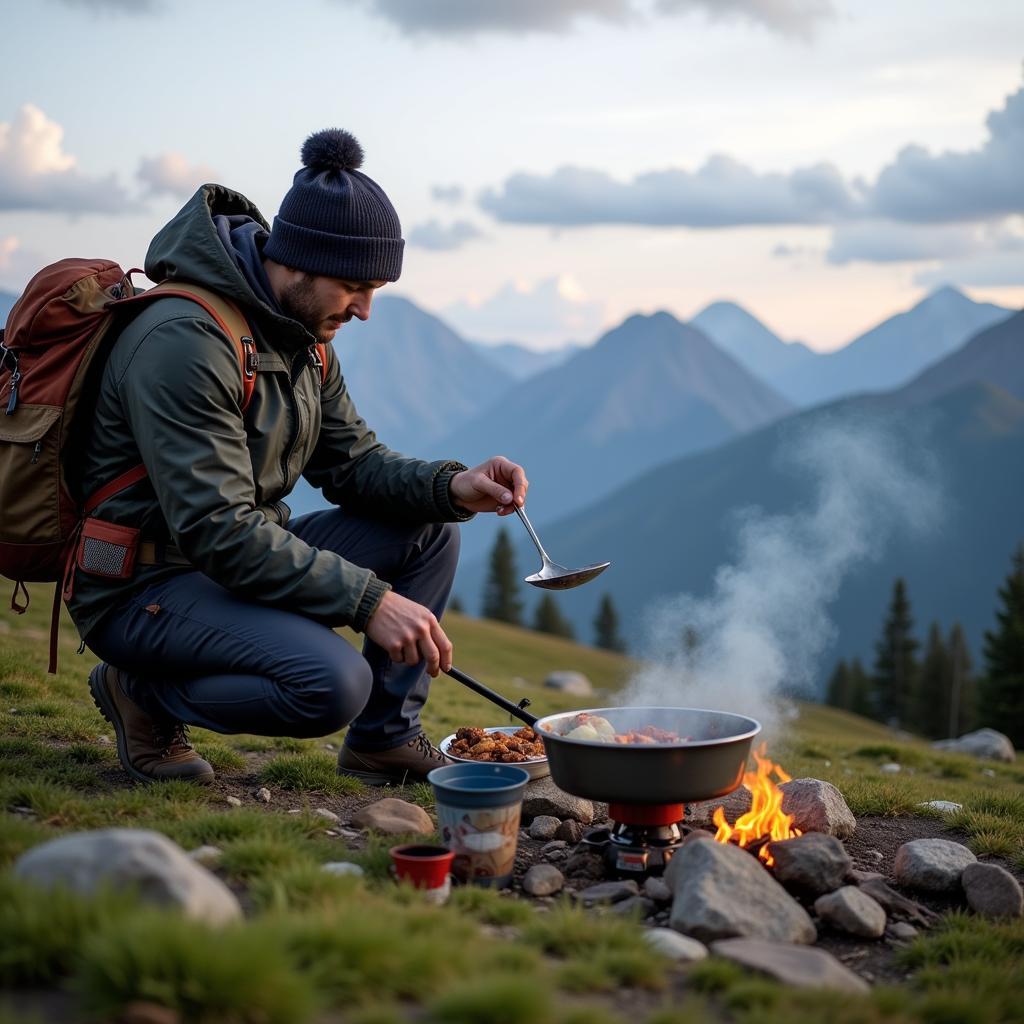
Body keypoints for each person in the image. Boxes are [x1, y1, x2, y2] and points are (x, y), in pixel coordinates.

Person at [68, 128, 528, 787]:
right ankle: (138, 693)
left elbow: (354, 465)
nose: (366, 310)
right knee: (334, 684)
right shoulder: (185, 341)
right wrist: (369, 601)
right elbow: (218, 529)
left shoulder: (301, 336)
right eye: (355, 286)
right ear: (300, 261)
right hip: (143, 586)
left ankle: (383, 741)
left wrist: (456, 487)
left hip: (229, 571)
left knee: (429, 532)